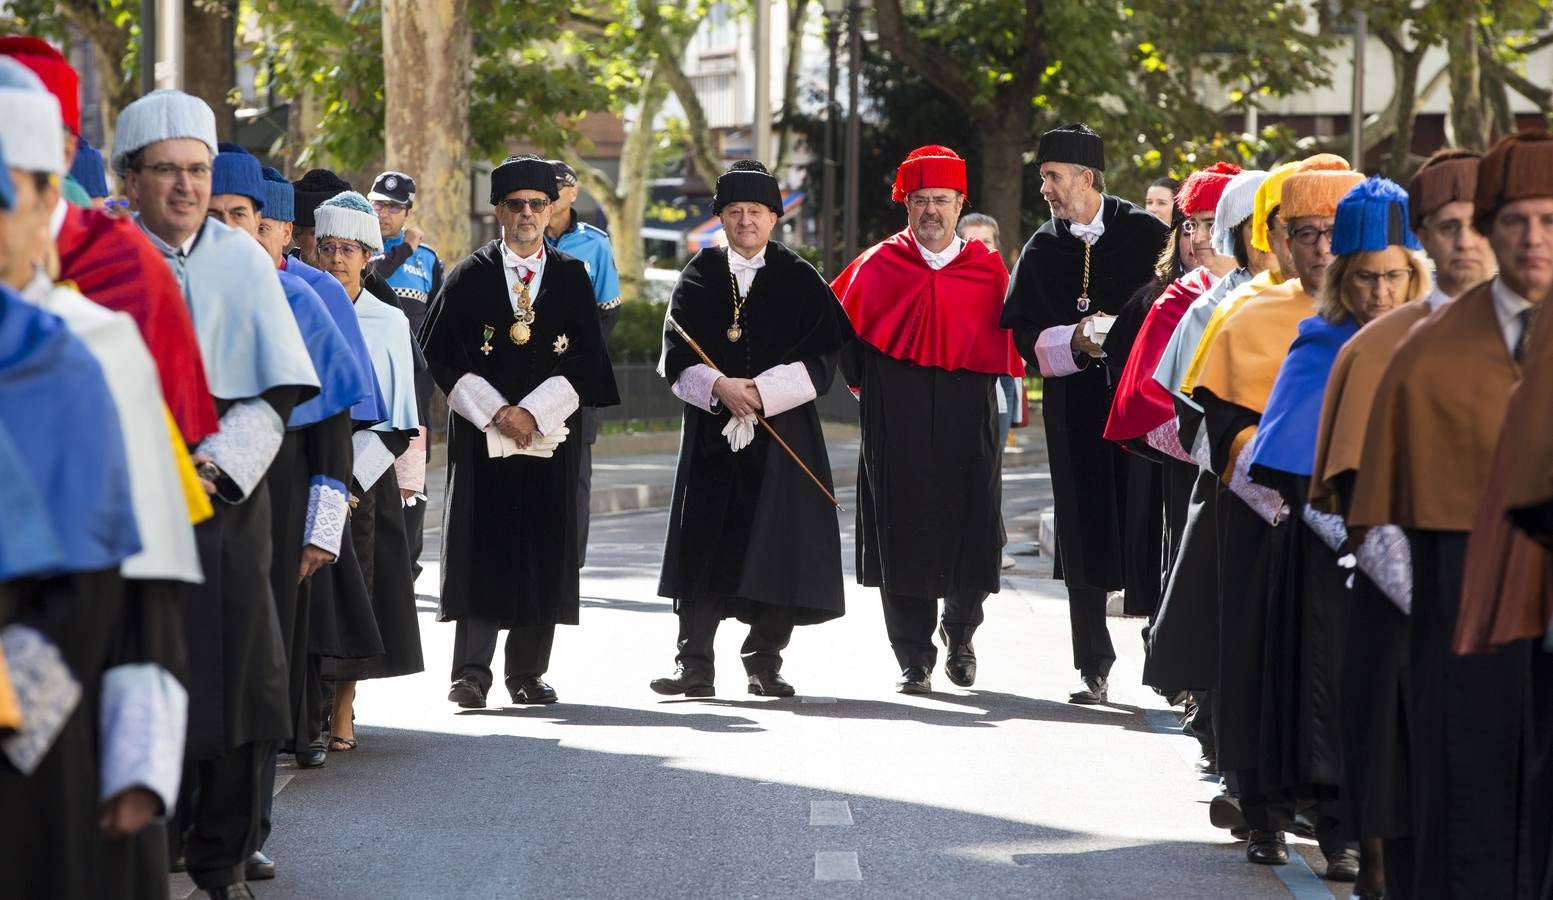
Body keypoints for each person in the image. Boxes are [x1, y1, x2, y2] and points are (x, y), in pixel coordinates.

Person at [112, 88, 320, 900]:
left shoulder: (243, 260)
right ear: (132, 178)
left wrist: (208, 471)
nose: (186, 187)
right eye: (165, 171)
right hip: (121, 506)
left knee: (240, 687)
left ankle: (221, 858)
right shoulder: (100, 259)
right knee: (136, 676)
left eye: (197, 170)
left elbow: (273, 392)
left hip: (226, 505)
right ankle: (138, 847)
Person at [0, 79, 199, 900]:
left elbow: (141, 587)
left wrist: (137, 765)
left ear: (49, 198)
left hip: (48, 729)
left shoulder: (98, 345)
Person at [1349, 129, 1553, 900]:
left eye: (1549, 220)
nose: (1530, 240)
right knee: (1467, 807)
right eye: (1513, 221)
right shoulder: (1423, 356)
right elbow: (1381, 517)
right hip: (1465, 616)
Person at [1305, 148, 1487, 900]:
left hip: (1513, 613)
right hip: (1406, 603)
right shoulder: (1373, 346)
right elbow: (1348, 501)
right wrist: (1439, 591)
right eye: (1446, 227)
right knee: (1401, 801)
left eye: (1482, 224)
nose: (1466, 243)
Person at [1249, 176, 1429, 889]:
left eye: (1391, 278)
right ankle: (1343, 832)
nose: (1378, 296)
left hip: (1434, 556)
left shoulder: (1438, 342)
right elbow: (1291, 462)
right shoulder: (1319, 342)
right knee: (1342, 707)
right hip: (1334, 557)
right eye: (1363, 280)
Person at [1192, 155, 1363, 869]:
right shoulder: (1246, 315)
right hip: (1261, 521)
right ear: (1279, 239)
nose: (1318, 248)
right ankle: (1259, 811)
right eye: (1302, 233)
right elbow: (1208, 416)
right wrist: (1255, 466)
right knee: (1259, 660)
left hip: (1347, 530)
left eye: (1331, 232)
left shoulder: (1379, 317)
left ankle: (1339, 825)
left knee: (1339, 672)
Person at [209, 144, 375, 879]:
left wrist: (321, 531)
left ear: (267, 225)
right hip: (181, 511)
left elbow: (335, 436)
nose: (227, 230)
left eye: (240, 216)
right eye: (214, 217)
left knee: (259, 675)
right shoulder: (166, 287)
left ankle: (245, 832)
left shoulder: (303, 301)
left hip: (275, 522)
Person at [421, 155, 618, 709]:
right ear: (499, 212)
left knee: (542, 547)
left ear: (552, 210)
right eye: (516, 205)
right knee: (481, 547)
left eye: (537, 204)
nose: (528, 214)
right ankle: (471, 674)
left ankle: (528, 673)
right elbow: (441, 357)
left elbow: (587, 362)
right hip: (484, 438)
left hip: (549, 438)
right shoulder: (468, 276)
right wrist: (497, 412)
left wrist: (534, 413)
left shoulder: (573, 277)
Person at [649, 161, 851, 698]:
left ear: (773, 218)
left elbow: (823, 360)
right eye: (734, 212)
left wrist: (758, 393)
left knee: (776, 546)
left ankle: (764, 661)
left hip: (782, 436)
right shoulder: (697, 275)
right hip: (714, 436)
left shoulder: (801, 278)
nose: (744, 222)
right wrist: (720, 387)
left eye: (755, 212)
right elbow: (673, 356)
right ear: (719, 217)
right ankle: (694, 664)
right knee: (702, 543)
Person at [832, 144, 1024, 694]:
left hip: (970, 413)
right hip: (898, 414)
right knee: (903, 528)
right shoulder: (879, 262)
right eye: (920, 201)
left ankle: (960, 632)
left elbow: (1011, 339)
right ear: (906, 205)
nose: (931, 211)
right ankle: (913, 657)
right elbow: (842, 331)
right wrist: (876, 386)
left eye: (941, 200)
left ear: (960, 204)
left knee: (973, 522)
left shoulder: (987, 269)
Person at [1000, 123, 1169, 703]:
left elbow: (1170, 311)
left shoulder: (1148, 235)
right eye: (1042, 177)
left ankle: (1164, 654)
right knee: (1080, 523)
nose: (1043, 188)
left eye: (1051, 177)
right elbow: (1023, 335)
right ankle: (1092, 663)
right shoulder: (1043, 247)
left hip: (1140, 405)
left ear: (1086, 178)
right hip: (1074, 406)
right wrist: (1072, 339)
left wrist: (1120, 341)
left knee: (1149, 524)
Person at [311, 191, 425, 751]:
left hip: (365, 474)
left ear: (368, 256)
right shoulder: (298, 306)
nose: (336, 258)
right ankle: (305, 705)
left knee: (360, 593)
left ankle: (345, 707)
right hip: (305, 465)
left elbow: (400, 420)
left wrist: (351, 477)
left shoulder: (389, 321)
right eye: (327, 247)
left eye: (348, 249)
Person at [545, 159, 622, 569]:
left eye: (558, 187)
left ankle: (569, 564)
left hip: (576, 377)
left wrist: (575, 361)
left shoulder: (596, 243)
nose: (550, 195)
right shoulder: (524, 237)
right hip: (528, 376)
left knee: (576, 474)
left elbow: (609, 312)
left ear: (573, 193)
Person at [368, 170, 442, 579]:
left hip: (413, 385)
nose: (384, 213)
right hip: (371, 379)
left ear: (408, 211)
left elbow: (438, 323)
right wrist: (404, 247)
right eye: (378, 203)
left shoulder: (428, 260)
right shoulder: (358, 250)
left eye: (394, 207)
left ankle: (407, 566)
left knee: (412, 475)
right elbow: (374, 275)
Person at [958, 211, 1021, 570]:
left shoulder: (1006, 284)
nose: (980, 249)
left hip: (1000, 387)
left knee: (991, 467)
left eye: (987, 242)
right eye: (971, 241)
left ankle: (991, 545)